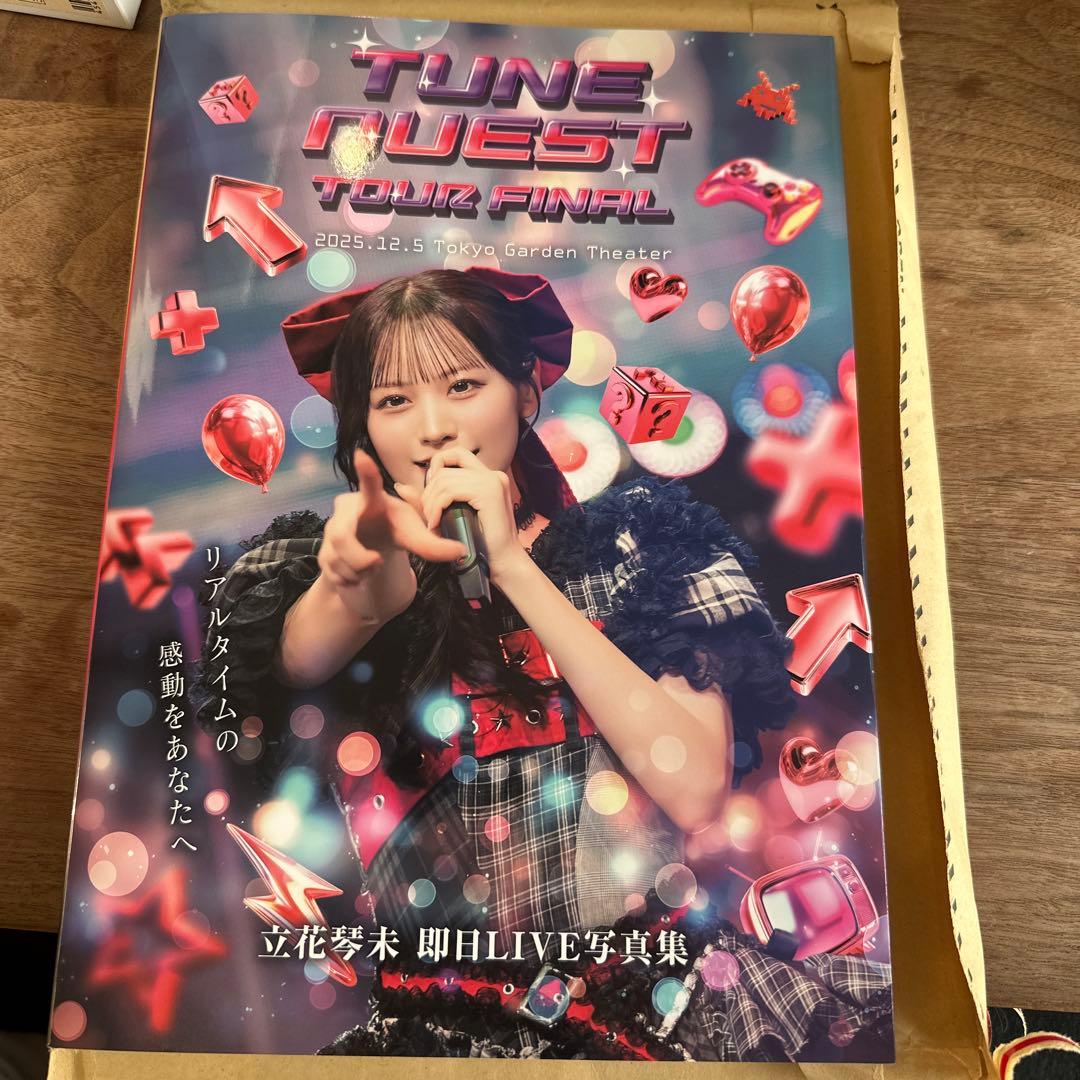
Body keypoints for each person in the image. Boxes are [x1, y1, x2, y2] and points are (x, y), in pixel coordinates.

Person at [194, 266, 892, 1061]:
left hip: (652, 1011)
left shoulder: (639, 548)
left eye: (463, 386)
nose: (433, 428)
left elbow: (695, 788)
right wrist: (359, 595)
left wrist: (515, 569)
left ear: (525, 392)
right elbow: (294, 662)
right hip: (440, 1033)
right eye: (393, 402)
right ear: (363, 428)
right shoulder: (327, 569)